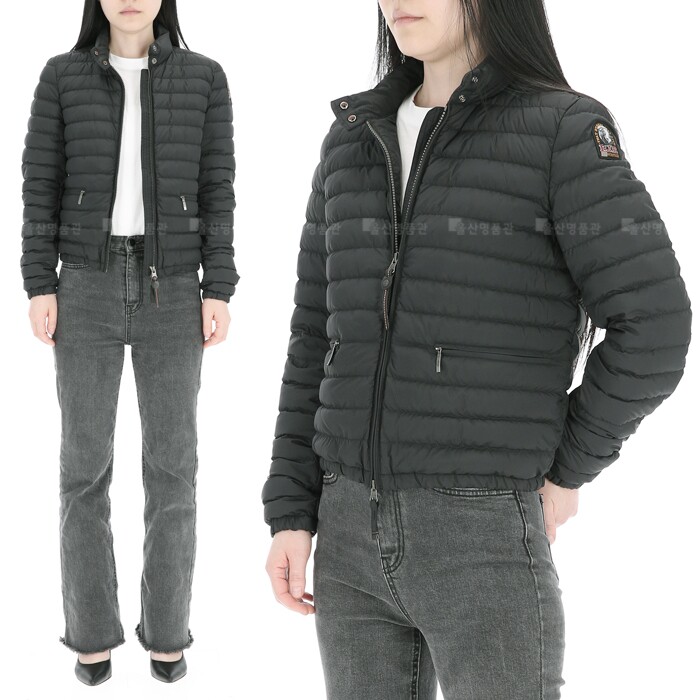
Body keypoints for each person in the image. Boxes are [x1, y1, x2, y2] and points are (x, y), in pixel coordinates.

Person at [261, 1, 692, 698]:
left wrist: (567, 468)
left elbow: (655, 324)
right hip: (346, 538)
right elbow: (314, 338)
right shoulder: (350, 140)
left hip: (482, 534)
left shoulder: (562, 130)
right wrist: (291, 510)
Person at [20, 0, 238, 686]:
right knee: (83, 470)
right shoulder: (62, 76)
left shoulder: (204, 78)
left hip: (174, 286)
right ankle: (91, 635)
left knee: (173, 468)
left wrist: (218, 285)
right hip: (84, 284)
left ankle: (167, 632)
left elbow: (218, 187)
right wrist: (39, 282)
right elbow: (39, 186)